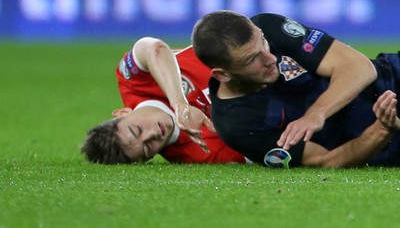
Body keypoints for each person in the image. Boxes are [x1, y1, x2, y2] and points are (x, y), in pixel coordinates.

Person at [191, 10, 400, 168]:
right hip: (384, 142)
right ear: (223, 74)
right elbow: (325, 160)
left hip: (392, 75)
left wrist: (316, 113)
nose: (270, 57)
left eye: (262, 42)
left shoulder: (269, 26)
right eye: (252, 58)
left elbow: (360, 68)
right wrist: (381, 130)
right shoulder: (237, 125)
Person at [81, 37, 247, 164]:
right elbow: (258, 146)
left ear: (123, 113)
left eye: (137, 130)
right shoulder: (197, 153)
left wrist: (179, 104)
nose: (153, 134)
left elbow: (153, 48)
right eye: (147, 148)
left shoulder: (133, 81)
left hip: (256, 45)